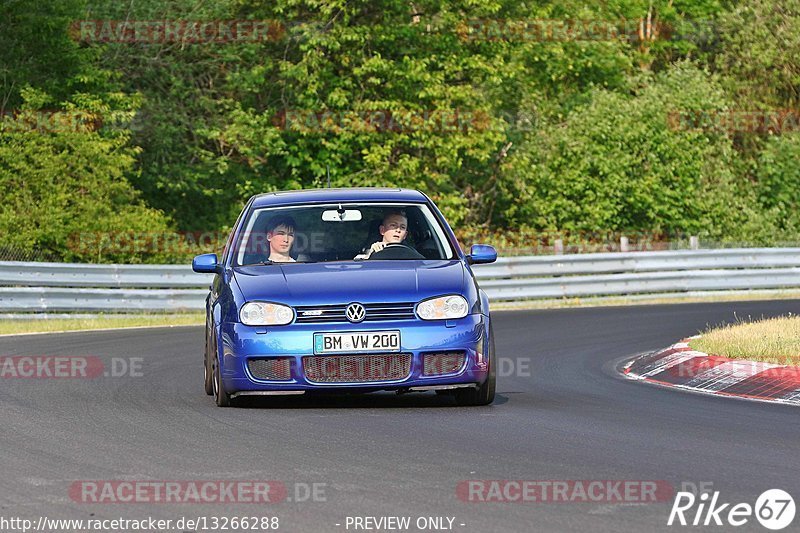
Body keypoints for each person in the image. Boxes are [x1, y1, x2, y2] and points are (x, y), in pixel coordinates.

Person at [355, 210, 424, 260]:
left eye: (402, 227)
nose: (398, 230)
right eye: (393, 225)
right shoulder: (371, 251)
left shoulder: (414, 255)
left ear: (405, 235)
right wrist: (370, 253)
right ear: (382, 230)